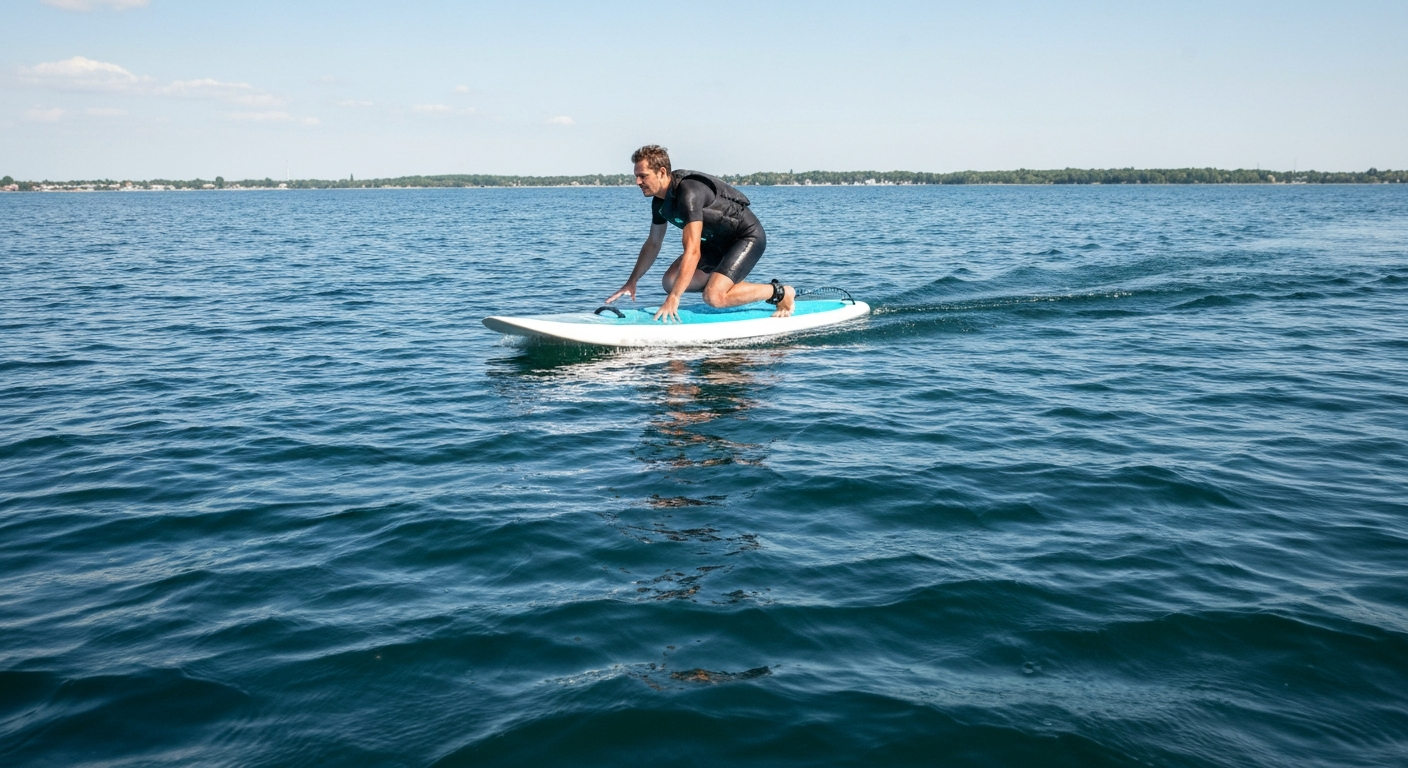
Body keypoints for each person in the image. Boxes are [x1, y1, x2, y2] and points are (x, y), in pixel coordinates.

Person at [606, 145, 795, 321]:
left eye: (643, 176)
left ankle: (780, 292)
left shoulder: (689, 193)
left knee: (714, 297)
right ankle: (728, 284)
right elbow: (653, 243)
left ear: (662, 172)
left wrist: (674, 298)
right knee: (669, 281)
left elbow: (693, 250)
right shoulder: (659, 202)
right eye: (636, 176)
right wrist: (632, 281)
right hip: (715, 243)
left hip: (745, 237)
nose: (638, 182)